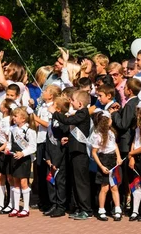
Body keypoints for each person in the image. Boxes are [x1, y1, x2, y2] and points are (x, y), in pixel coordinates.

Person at [52, 90, 92, 220]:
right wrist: (69, 139)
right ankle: (80, 208)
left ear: (80, 103)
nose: (71, 102)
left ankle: (86, 209)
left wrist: (54, 113)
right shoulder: (80, 113)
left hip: (80, 153)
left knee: (81, 182)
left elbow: (68, 121)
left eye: (73, 100)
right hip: (75, 150)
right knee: (76, 181)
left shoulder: (83, 113)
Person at [33, 85, 61, 213]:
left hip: (48, 141)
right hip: (39, 140)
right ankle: (42, 200)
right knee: (39, 170)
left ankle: (51, 202)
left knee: (47, 171)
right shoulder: (42, 106)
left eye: (45, 91)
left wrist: (36, 118)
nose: (43, 92)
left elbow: (49, 124)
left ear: (51, 95)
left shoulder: (52, 107)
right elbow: (38, 124)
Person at [91, 111, 123, 221]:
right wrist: (101, 166)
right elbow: (94, 152)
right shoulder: (98, 135)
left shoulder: (111, 133)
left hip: (113, 159)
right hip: (104, 159)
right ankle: (101, 210)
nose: (112, 121)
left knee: (114, 186)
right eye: (110, 119)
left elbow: (115, 146)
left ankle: (117, 208)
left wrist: (118, 157)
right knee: (104, 188)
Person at [5, 107, 37, 218]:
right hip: (14, 158)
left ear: (23, 119)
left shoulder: (30, 131)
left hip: (24, 159)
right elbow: (9, 143)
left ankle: (26, 208)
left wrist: (22, 153)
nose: (13, 118)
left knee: (24, 182)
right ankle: (16, 207)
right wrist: (7, 149)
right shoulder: (12, 129)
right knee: (15, 182)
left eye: (16, 116)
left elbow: (33, 147)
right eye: (13, 116)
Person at [0, 98, 16, 214]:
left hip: (6, 150)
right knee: (0, 176)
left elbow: (8, 141)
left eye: (1, 105)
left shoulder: (8, 121)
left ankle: (11, 203)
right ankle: (0, 203)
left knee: (9, 177)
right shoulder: (1, 120)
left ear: (6, 108)